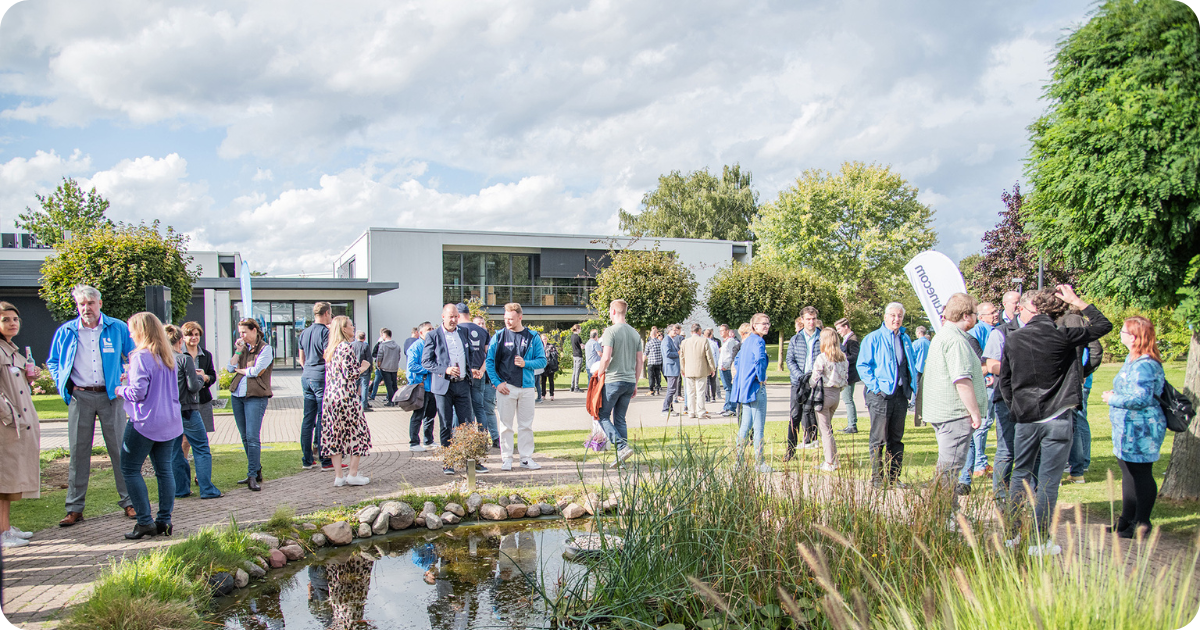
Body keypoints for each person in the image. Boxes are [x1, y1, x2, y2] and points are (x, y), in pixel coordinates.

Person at [999, 285, 1111, 556]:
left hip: (1027, 417)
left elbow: (1005, 380)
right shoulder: (1064, 336)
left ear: (1034, 308)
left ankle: (1013, 535)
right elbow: (1102, 325)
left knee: (1020, 473)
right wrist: (1077, 301)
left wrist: (1016, 408)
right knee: (1049, 480)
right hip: (1058, 416)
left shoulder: (1014, 338)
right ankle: (1039, 540)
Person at [46, 284, 137, 526]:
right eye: (81, 304)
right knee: (78, 452)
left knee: (120, 449)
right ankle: (75, 508)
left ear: (100, 304)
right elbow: (53, 361)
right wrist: (62, 382)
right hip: (80, 396)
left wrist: (128, 372)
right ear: (77, 306)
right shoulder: (66, 331)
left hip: (111, 396)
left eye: (90, 303)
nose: (86, 308)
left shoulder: (117, 327)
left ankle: (130, 502)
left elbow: (134, 355)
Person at [115, 312, 184, 540]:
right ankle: (165, 519)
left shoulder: (141, 357)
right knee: (164, 471)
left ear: (141, 331)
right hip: (169, 421)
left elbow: (137, 393)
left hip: (145, 421)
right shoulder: (168, 356)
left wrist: (119, 389)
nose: (130, 334)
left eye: (132, 330)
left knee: (130, 468)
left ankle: (144, 521)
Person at [920, 294, 986, 518]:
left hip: (943, 412)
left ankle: (947, 511)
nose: (976, 318)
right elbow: (962, 379)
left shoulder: (943, 335)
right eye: (975, 314)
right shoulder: (957, 340)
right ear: (966, 315)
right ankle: (943, 514)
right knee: (950, 468)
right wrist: (975, 412)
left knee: (947, 465)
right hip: (955, 414)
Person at [1102, 316, 1167, 539]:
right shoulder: (1132, 359)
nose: (1120, 335)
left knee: (1141, 474)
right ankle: (1126, 521)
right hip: (1127, 428)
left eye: (1123, 331)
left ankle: (1142, 523)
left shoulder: (1146, 364)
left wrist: (1113, 399)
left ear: (1134, 336)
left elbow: (1141, 398)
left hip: (1142, 429)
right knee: (1128, 473)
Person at [857, 302, 919, 489]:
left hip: (900, 393)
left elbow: (910, 364)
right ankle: (877, 477)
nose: (896, 319)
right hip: (881, 394)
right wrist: (876, 388)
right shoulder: (873, 338)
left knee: (896, 438)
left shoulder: (905, 338)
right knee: (878, 438)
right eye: (892, 315)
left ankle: (894, 477)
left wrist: (912, 387)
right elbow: (863, 366)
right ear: (885, 317)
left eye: (899, 316)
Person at [485, 303, 546, 471]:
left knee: (526, 425)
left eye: (511, 319)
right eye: (505, 319)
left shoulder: (533, 337)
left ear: (520, 317)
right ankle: (506, 459)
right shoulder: (498, 336)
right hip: (506, 387)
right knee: (505, 425)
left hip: (526, 387)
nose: (507, 322)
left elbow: (542, 360)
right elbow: (489, 362)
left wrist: (526, 363)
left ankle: (526, 458)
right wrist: (497, 383)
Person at [0, 302, 41, 548]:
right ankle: (2, 532)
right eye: (6, 319)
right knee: (3, 480)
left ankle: (6, 527)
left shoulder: (11, 350)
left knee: (9, 480)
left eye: (15, 319)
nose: (12, 323)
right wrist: (7, 414)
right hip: (6, 425)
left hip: (16, 425)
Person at [165, 325, 221, 500]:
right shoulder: (183, 359)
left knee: (175, 450)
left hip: (169, 411)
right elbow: (193, 386)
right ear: (180, 340)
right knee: (201, 448)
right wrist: (200, 377)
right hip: (188, 408)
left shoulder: (160, 359)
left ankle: (180, 489)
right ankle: (207, 489)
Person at [423, 304, 480, 474]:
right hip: (443, 387)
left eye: (456, 316)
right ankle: (448, 461)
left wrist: (471, 369)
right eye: (451, 317)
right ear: (443, 316)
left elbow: (468, 354)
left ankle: (472, 462)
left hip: (462, 384)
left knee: (468, 424)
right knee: (446, 424)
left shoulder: (463, 332)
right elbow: (426, 362)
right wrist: (445, 370)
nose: (454, 320)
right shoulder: (433, 336)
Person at [322, 316, 372, 487]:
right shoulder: (346, 348)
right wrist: (363, 368)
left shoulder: (331, 349)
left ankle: (338, 476)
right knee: (356, 432)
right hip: (347, 398)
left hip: (331, 398)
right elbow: (349, 373)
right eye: (351, 325)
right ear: (344, 329)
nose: (353, 328)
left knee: (334, 435)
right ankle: (353, 473)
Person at [227, 318, 273, 491]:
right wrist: (238, 352)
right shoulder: (243, 349)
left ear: (255, 330)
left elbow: (256, 371)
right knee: (245, 436)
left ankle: (252, 475)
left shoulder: (265, 349)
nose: (242, 336)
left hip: (256, 395)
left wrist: (241, 370)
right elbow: (229, 367)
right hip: (237, 394)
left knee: (253, 436)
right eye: (240, 333)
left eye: (245, 332)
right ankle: (256, 469)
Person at [595, 299, 642, 467]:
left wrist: (600, 373)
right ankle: (622, 457)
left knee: (602, 415)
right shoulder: (635, 333)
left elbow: (606, 357)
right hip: (629, 380)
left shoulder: (610, 331)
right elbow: (639, 361)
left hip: (614, 380)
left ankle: (622, 447)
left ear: (613, 311)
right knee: (620, 419)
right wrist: (635, 383)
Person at [731, 314, 771, 473]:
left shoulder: (747, 341)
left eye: (768, 323)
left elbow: (738, 361)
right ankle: (759, 462)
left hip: (745, 388)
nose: (766, 326)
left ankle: (738, 463)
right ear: (754, 326)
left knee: (744, 427)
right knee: (758, 426)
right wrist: (761, 377)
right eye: (763, 324)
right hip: (755, 387)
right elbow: (760, 359)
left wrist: (743, 376)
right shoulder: (758, 341)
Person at [299, 302, 333, 471]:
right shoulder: (326, 332)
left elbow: (301, 358)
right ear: (327, 313)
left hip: (306, 376)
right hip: (320, 377)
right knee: (322, 418)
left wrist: (308, 370)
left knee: (308, 419)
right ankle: (325, 459)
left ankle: (306, 460)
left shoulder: (304, 332)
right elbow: (328, 355)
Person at [808, 328, 848, 471]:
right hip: (836, 393)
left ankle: (829, 462)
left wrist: (809, 385)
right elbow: (845, 379)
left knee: (825, 430)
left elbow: (815, 378)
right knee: (828, 428)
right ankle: (834, 458)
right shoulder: (842, 357)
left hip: (824, 393)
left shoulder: (822, 357)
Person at [785, 307, 822, 457]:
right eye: (808, 319)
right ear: (802, 320)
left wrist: (816, 376)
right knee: (795, 416)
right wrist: (800, 376)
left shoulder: (823, 337)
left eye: (813, 319)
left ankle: (824, 451)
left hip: (818, 382)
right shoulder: (796, 339)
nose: (811, 322)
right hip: (799, 382)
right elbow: (790, 359)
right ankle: (790, 450)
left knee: (819, 415)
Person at [181, 321, 217, 442]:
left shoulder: (206, 355)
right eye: (190, 334)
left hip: (203, 399)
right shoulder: (179, 355)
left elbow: (212, 375)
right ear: (183, 337)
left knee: (202, 436)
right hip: (185, 401)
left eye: (197, 334)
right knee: (184, 438)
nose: (194, 337)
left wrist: (205, 377)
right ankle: (184, 460)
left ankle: (199, 460)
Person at [407, 322, 437, 452]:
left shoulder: (434, 345)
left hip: (433, 387)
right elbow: (412, 366)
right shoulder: (416, 347)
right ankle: (414, 442)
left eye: (432, 329)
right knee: (418, 415)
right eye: (428, 329)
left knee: (430, 415)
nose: (431, 331)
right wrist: (429, 369)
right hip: (421, 386)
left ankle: (428, 440)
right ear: (421, 333)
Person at [471, 314, 500, 448]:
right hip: (474, 381)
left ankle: (495, 438)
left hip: (488, 381)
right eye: (478, 324)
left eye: (483, 323)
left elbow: (494, 361)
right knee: (474, 410)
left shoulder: (491, 342)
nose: (481, 326)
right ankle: (478, 439)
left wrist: (496, 380)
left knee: (489, 410)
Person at [680, 323, 716, 419]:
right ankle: (700, 412)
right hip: (701, 369)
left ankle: (691, 412)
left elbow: (682, 357)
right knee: (700, 392)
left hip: (689, 370)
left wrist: (682, 369)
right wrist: (712, 368)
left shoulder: (685, 342)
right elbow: (709, 356)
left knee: (690, 392)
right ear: (699, 330)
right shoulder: (704, 341)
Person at [835, 318, 861, 434]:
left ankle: (852, 425)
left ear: (846, 327)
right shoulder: (848, 339)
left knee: (847, 399)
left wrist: (842, 359)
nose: (838, 331)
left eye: (839, 329)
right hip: (848, 374)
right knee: (847, 399)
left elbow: (855, 356)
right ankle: (851, 423)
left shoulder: (852, 340)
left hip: (850, 374)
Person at [369, 328, 402, 407]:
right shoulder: (397, 346)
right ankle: (396, 399)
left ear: (385, 335)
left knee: (388, 385)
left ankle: (391, 401)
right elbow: (398, 357)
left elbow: (379, 356)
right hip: (394, 367)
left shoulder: (383, 345)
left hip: (385, 367)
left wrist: (378, 365)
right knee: (394, 384)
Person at [717, 325, 741, 417]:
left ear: (727, 331)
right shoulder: (725, 342)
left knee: (729, 388)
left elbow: (732, 354)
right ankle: (726, 407)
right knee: (727, 388)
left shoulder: (731, 342)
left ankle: (731, 408)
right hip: (722, 367)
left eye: (722, 330)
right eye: (720, 331)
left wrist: (726, 365)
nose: (720, 333)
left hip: (727, 368)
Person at [661, 324, 683, 415]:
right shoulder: (666, 340)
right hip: (671, 367)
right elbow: (667, 353)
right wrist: (677, 353)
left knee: (672, 389)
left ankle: (670, 408)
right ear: (669, 331)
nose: (676, 332)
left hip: (673, 367)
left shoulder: (671, 340)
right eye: (674, 330)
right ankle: (665, 409)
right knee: (671, 389)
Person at [910, 326, 930, 423]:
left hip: (918, 367)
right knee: (925, 388)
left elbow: (911, 355)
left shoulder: (916, 343)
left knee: (916, 386)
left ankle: (914, 403)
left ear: (918, 333)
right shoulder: (929, 343)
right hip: (927, 368)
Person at [351, 331, 372, 412]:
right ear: (364, 338)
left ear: (356, 337)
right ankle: (364, 405)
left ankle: (354, 404)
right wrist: (369, 368)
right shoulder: (365, 346)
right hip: (365, 370)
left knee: (354, 387)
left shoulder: (352, 345)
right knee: (365, 387)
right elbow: (369, 358)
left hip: (355, 369)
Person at [539, 334, 559, 402]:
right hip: (543, 365)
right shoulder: (539, 346)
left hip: (550, 365)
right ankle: (543, 394)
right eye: (543, 339)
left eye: (546, 339)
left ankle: (551, 394)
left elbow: (556, 353)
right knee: (543, 381)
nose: (545, 340)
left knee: (551, 381)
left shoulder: (551, 346)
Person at [644, 327, 663, 396]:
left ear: (651, 335)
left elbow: (646, 353)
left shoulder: (649, 343)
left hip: (651, 362)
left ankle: (651, 390)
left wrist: (642, 361)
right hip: (658, 362)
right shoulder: (660, 342)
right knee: (658, 375)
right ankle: (657, 388)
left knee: (651, 376)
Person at [704, 328, 721, 402]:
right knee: (713, 381)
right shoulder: (714, 344)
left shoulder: (703, 343)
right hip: (714, 363)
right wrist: (716, 364)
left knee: (706, 381)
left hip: (706, 364)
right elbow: (717, 354)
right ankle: (713, 396)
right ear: (711, 335)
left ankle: (707, 397)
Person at [569, 324, 585, 392]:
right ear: (577, 329)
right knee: (577, 371)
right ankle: (576, 387)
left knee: (574, 371)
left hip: (574, 355)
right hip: (578, 355)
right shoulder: (578, 337)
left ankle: (572, 386)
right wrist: (584, 346)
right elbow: (582, 346)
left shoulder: (572, 336)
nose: (580, 330)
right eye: (580, 329)